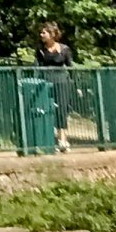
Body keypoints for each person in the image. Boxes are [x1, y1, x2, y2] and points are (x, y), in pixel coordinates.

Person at [36, 22, 78, 153]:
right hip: (45, 83)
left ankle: (63, 141)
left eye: (44, 32)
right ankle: (47, 141)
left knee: (61, 111)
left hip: (61, 82)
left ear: (52, 34)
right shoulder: (40, 50)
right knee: (46, 110)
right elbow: (36, 67)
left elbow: (70, 67)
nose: (41, 35)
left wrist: (75, 85)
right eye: (41, 32)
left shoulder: (64, 49)